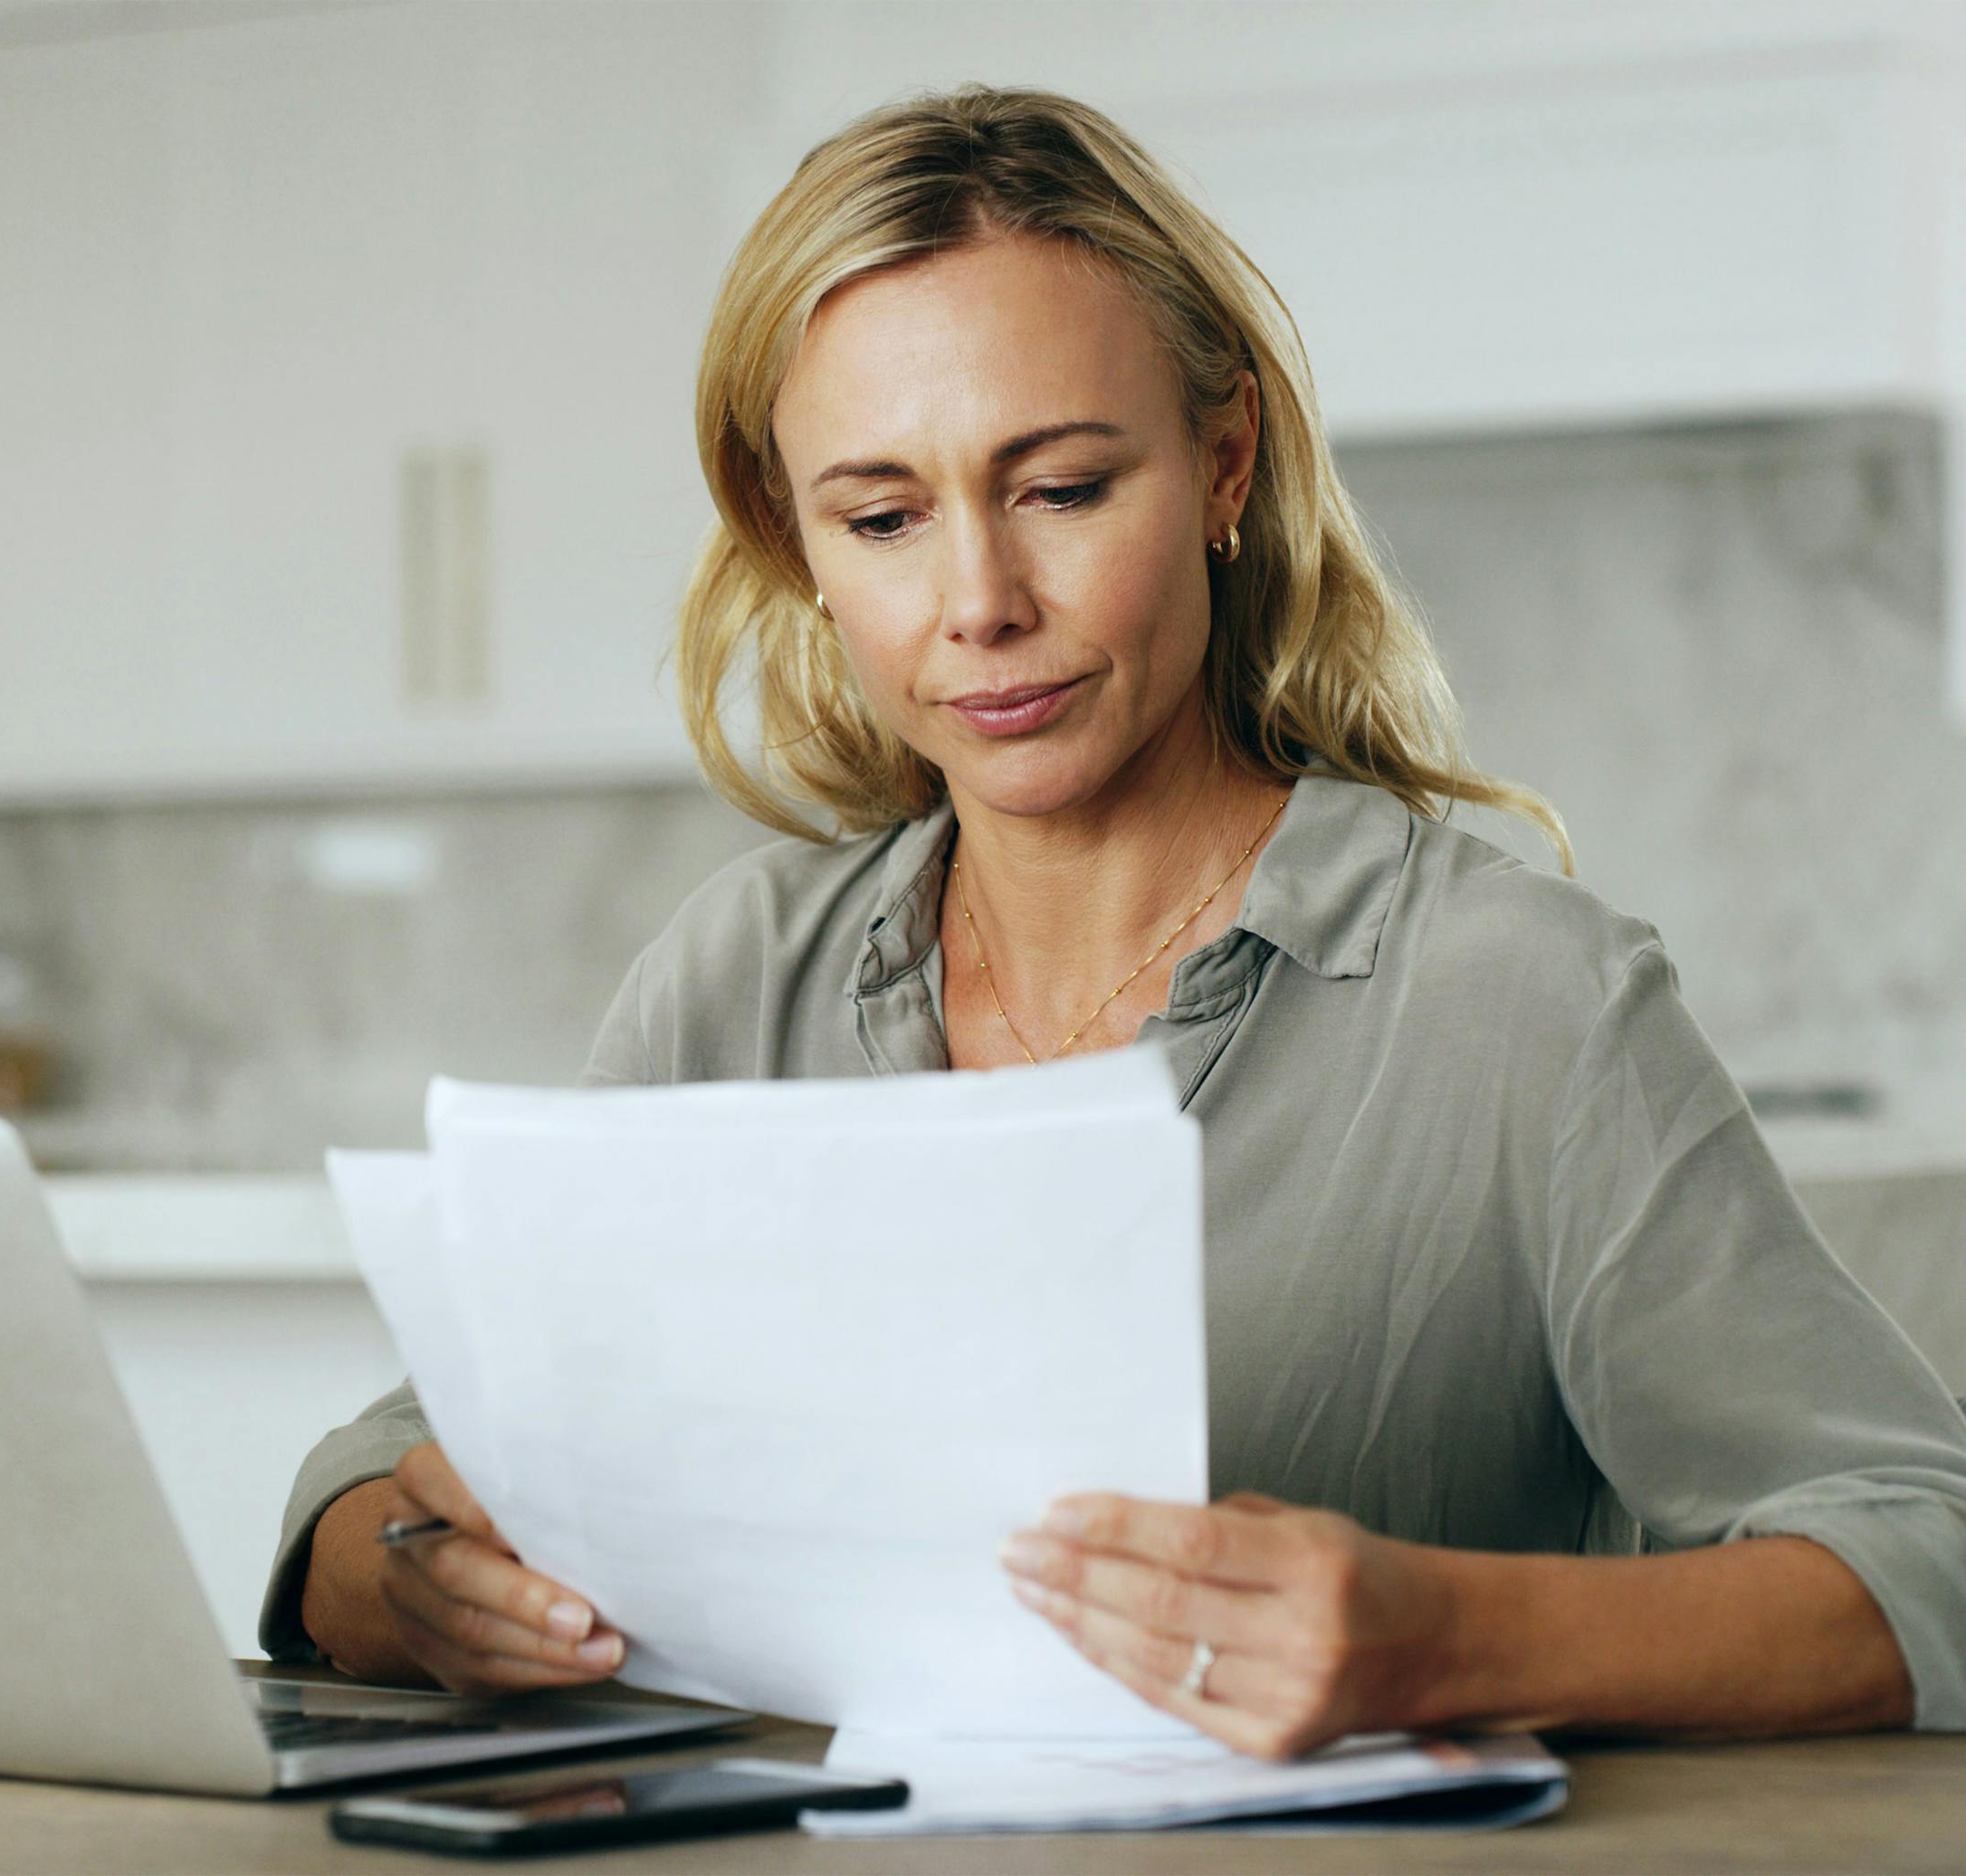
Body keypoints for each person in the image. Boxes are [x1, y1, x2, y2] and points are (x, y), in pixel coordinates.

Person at [263, 83, 1966, 1756]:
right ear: (798, 545)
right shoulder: (735, 978)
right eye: (881, 518)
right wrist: (408, 1576)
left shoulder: (1520, 1001)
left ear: (1224, 463)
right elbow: (391, 1478)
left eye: (1064, 488)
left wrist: (1451, 1637)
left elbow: (1926, 1550)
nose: (982, 604)